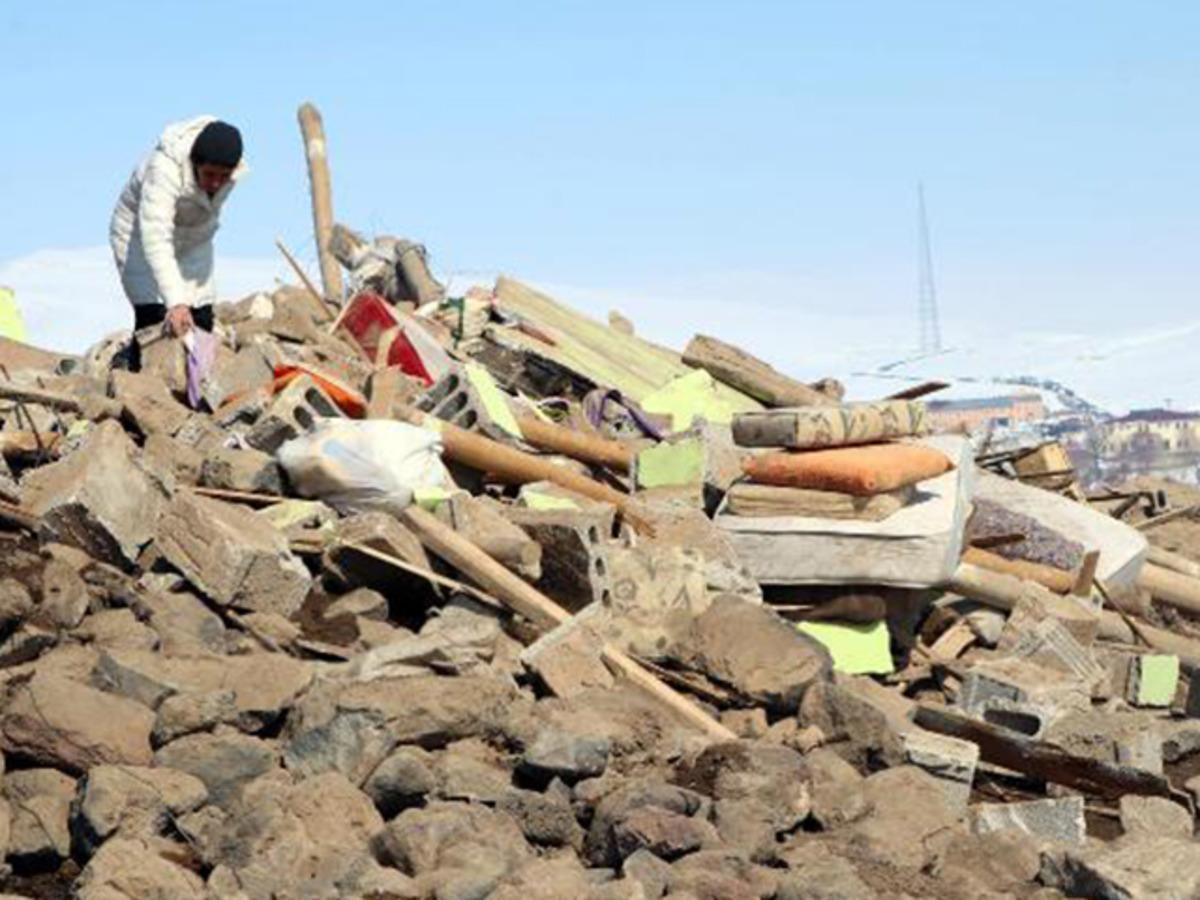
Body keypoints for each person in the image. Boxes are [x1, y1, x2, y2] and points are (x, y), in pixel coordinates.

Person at [109, 116, 246, 369]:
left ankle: (199, 391)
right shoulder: (164, 169)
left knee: (201, 317)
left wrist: (187, 304)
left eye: (223, 176)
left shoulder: (231, 174)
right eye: (210, 174)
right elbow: (156, 235)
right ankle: (136, 377)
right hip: (140, 234)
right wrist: (176, 301)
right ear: (195, 163)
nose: (216, 183)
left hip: (193, 237)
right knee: (154, 317)